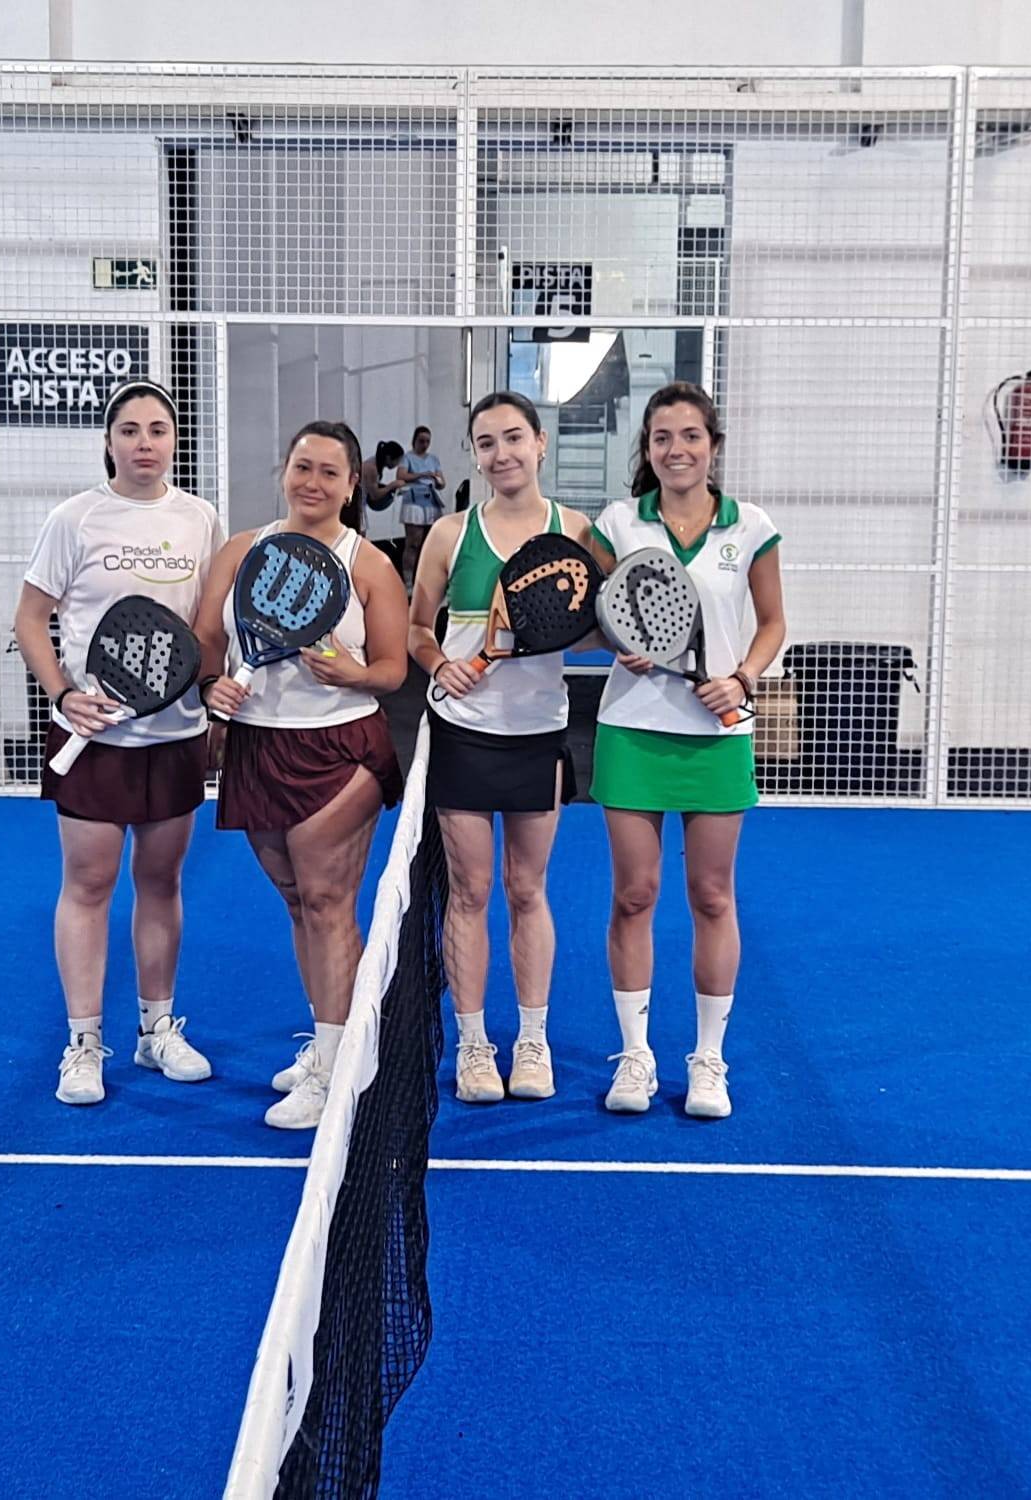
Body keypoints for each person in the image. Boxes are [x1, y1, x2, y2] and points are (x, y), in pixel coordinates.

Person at [193, 421, 409, 1130]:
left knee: (326, 901)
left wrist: (352, 673)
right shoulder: (239, 551)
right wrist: (212, 689)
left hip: (340, 749)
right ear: (284, 471)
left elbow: (392, 670)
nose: (312, 483)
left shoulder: (368, 564)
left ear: (351, 487)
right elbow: (208, 642)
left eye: (329, 473)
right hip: (256, 748)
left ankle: (337, 1070)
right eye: (302, 467)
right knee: (298, 902)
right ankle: (332, 1037)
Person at [12, 379, 222, 1106]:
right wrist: (63, 694)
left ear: (174, 439)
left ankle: (156, 1030)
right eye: (129, 430)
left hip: (176, 734)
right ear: (109, 441)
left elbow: (206, 629)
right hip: (93, 737)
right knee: (90, 883)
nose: (144, 443)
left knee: (161, 882)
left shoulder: (200, 519)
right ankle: (82, 1044)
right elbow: (30, 618)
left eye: (157, 429)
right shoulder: (74, 519)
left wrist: (214, 704)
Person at [586, 382, 785, 1120]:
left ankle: (708, 1060)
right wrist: (619, 642)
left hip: (718, 737)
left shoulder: (751, 526)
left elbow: (773, 623)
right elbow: (594, 615)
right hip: (632, 730)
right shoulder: (617, 523)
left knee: (712, 896)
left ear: (713, 445)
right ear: (648, 448)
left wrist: (743, 678)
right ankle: (636, 1056)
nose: (677, 450)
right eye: (663, 437)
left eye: (691, 435)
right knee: (634, 895)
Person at [409, 391, 595, 1105]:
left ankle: (532, 1041)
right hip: (462, 732)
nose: (502, 453)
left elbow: (590, 625)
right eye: (486, 442)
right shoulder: (450, 533)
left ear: (540, 443)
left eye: (514, 437)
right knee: (469, 891)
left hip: (538, 733)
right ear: (475, 455)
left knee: (526, 889)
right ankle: (473, 1045)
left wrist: (596, 638)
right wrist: (440, 664)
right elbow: (417, 629)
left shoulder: (574, 530)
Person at [396, 425, 445, 589]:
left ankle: (428, 579)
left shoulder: (433, 459)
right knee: (413, 543)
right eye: (421, 441)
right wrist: (422, 475)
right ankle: (408, 580)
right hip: (413, 501)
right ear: (414, 441)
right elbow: (401, 475)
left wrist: (437, 481)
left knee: (431, 543)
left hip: (430, 501)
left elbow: (442, 482)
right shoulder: (407, 457)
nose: (424, 445)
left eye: (427, 441)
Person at [349, 438, 406, 536]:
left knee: (361, 535)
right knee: (360, 536)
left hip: (358, 503)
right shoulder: (372, 468)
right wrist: (392, 485)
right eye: (397, 461)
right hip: (355, 504)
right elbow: (375, 495)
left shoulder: (376, 463)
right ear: (389, 458)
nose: (397, 465)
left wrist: (392, 490)